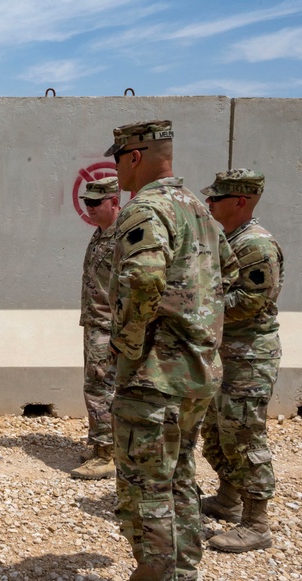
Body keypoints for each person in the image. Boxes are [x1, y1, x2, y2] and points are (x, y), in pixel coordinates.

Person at [104, 120, 238, 581]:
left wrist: (128, 342)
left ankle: (155, 573)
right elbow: (230, 273)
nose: (116, 168)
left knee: (146, 485)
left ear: (135, 156)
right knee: (178, 474)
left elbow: (143, 279)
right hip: (197, 371)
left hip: (154, 375)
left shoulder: (146, 209)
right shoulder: (197, 209)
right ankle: (183, 569)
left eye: (118, 158)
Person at [199, 169, 282, 553]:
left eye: (216, 198)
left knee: (245, 436)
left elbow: (250, 303)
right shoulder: (227, 240)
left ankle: (256, 524)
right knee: (218, 432)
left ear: (241, 201)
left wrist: (197, 305)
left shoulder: (256, 247)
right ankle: (229, 500)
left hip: (249, 356)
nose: (209, 203)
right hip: (225, 352)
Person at [72, 176, 121, 480]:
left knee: (100, 388)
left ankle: (107, 455)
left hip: (108, 326)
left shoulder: (122, 238)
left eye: (95, 202)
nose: (89, 208)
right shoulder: (101, 235)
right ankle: (101, 445)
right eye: (86, 202)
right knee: (96, 384)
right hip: (95, 322)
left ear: (114, 202)